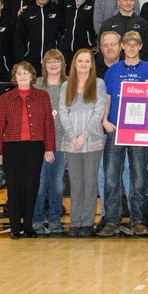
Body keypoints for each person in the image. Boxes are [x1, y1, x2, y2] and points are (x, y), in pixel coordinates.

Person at [100, 31, 148, 237]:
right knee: (111, 176)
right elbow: (106, 98)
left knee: (139, 177)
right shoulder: (113, 70)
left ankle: (139, 219)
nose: (132, 47)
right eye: (128, 44)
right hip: (115, 128)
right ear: (122, 46)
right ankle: (111, 220)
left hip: (138, 130)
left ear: (141, 46)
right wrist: (104, 120)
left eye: (136, 44)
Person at [0, 62, 56, 239]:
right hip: (12, 147)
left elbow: (48, 125)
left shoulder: (43, 96)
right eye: (19, 73)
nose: (22, 76)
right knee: (14, 187)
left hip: (35, 146)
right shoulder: (5, 98)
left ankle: (28, 226)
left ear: (32, 76)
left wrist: (49, 148)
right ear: (15, 76)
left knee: (31, 187)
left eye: (26, 73)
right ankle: (14, 227)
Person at [59, 48, 108, 237]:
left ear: (91, 64)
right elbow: (63, 112)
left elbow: (98, 112)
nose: (84, 64)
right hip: (71, 143)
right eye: (80, 61)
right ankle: (75, 222)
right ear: (75, 64)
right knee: (76, 183)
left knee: (90, 182)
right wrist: (73, 136)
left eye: (87, 61)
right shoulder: (66, 86)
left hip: (92, 141)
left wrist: (84, 136)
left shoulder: (98, 84)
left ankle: (87, 222)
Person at [32, 49, 68, 235]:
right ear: (44, 65)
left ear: (62, 64)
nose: (53, 65)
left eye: (57, 61)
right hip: (40, 143)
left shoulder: (69, 84)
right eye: (49, 62)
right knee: (39, 182)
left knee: (57, 184)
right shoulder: (37, 85)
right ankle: (37, 218)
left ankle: (55, 219)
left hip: (61, 142)